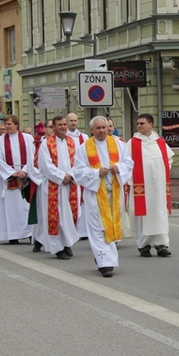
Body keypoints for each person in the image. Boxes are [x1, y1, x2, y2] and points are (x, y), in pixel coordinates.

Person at [73, 116, 133, 277]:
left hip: (113, 193)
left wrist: (118, 167)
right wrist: (95, 172)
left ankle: (107, 260)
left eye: (104, 128)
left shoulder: (119, 145)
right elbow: (78, 171)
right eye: (98, 128)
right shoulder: (84, 148)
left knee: (111, 225)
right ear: (92, 130)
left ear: (108, 128)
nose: (101, 131)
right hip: (95, 194)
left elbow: (129, 163)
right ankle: (104, 263)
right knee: (97, 227)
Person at [127, 113, 174, 257]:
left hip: (158, 186)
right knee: (142, 215)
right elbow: (126, 163)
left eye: (142, 123)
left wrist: (160, 174)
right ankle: (144, 245)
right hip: (141, 187)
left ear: (150, 124)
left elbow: (168, 160)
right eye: (138, 124)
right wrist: (130, 180)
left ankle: (162, 245)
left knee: (160, 214)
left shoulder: (159, 142)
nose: (139, 126)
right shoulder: (132, 142)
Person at [37, 116, 80, 260]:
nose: (63, 127)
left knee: (69, 217)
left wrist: (71, 175)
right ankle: (57, 247)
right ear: (53, 127)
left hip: (70, 185)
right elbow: (45, 165)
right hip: (53, 186)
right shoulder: (46, 143)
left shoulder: (72, 142)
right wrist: (62, 176)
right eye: (59, 125)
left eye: (64, 124)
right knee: (56, 217)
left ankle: (67, 243)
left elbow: (79, 162)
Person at [0, 115, 35, 244]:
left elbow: (33, 156)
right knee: (10, 209)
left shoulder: (28, 139)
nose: (7, 126)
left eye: (10, 124)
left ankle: (29, 233)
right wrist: (12, 173)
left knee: (26, 207)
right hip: (9, 178)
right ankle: (12, 234)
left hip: (25, 177)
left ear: (17, 125)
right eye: (5, 124)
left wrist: (25, 171)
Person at [29, 120, 54, 253]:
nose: (52, 130)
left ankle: (57, 241)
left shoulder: (61, 143)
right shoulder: (37, 144)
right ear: (45, 129)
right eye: (50, 127)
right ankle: (39, 240)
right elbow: (31, 165)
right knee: (42, 213)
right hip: (43, 183)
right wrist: (42, 179)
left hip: (58, 183)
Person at [67, 112, 90, 239]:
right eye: (71, 121)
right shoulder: (63, 138)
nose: (73, 123)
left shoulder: (84, 137)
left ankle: (83, 231)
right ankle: (72, 229)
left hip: (82, 172)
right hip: (68, 173)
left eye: (75, 120)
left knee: (84, 202)